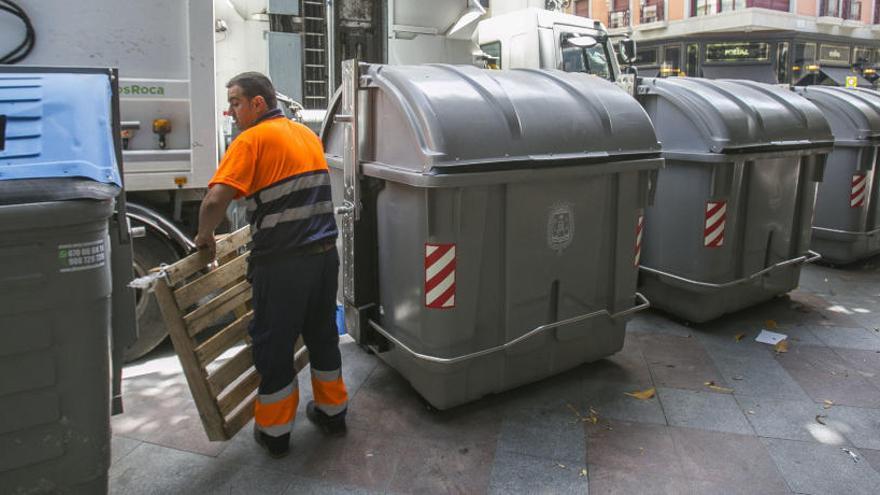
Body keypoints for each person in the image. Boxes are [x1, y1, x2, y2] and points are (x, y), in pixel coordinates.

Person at [194, 72, 348, 458]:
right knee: (323, 335)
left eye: (235, 102)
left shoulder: (251, 140)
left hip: (282, 265)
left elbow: (215, 202)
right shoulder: (305, 135)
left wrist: (204, 237)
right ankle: (333, 413)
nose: (230, 111)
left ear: (258, 103)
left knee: (274, 345)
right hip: (325, 257)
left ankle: (275, 433)